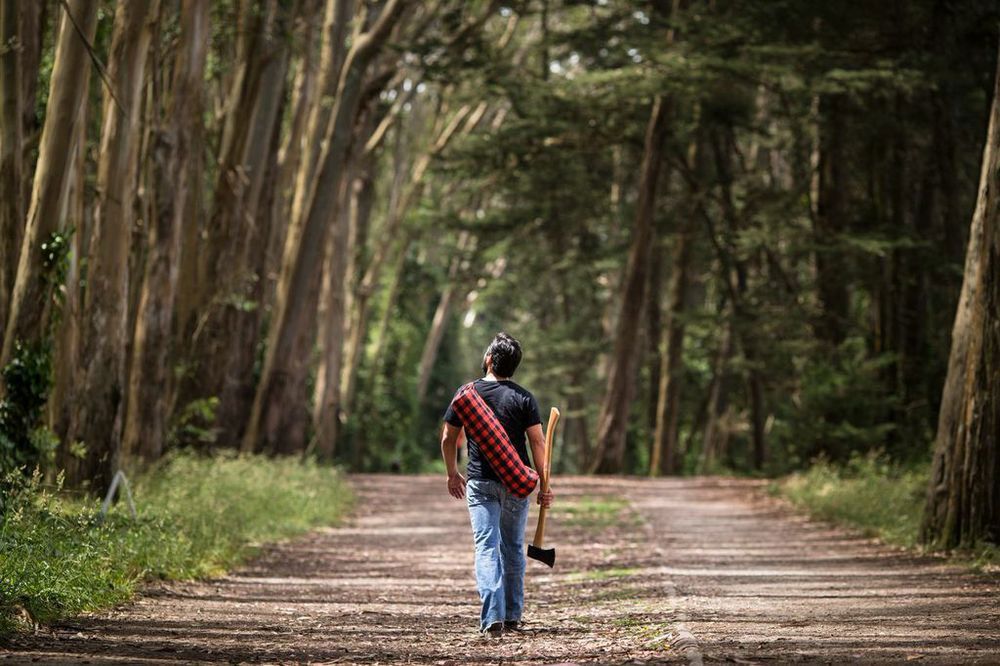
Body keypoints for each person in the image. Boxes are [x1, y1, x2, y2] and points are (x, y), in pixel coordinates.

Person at [441, 332, 555, 638]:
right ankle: (512, 616)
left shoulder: (466, 395)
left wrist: (452, 473)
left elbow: (448, 438)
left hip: (480, 482)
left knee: (486, 547)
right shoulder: (524, 398)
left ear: (489, 359)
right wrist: (544, 484)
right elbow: (538, 443)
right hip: (517, 482)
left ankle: (492, 617)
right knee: (513, 548)